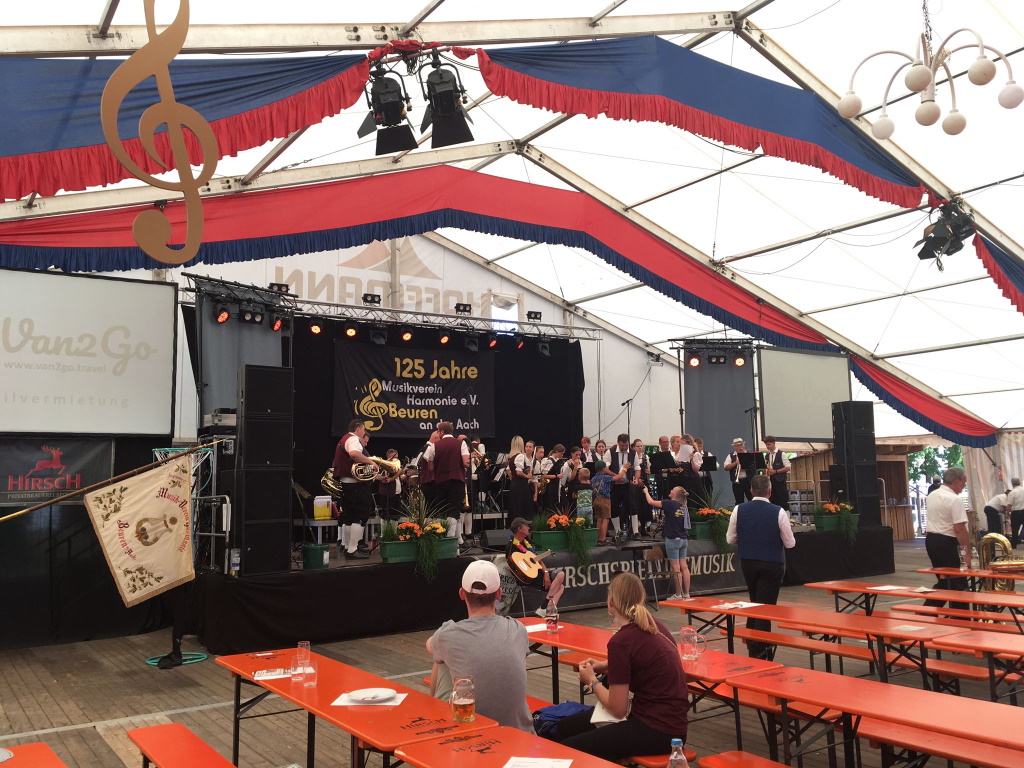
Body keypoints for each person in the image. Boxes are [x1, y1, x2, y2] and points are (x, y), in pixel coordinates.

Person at [549, 572, 689, 761]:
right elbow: (642, 659)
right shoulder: (653, 625)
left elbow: (617, 709)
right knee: (566, 727)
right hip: (672, 724)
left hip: (658, 730)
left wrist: (592, 681)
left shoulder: (621, 641)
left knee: (567, 750)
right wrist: (605, 665)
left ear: (611, 603)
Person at [426, 560, 534, 732]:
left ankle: (437, 714)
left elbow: (430, 646)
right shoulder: (517, 629)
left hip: (475, 735)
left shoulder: (447, 634)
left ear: (462, 594)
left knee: (441, 660)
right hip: (521, 733)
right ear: (499, 594)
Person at [726, 474, 796, 659]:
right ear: (770, 491)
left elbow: (730, 539)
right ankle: (760, 651)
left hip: (748, 562)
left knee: (755, 602)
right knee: (765, 608)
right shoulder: (778, 511)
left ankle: (754, 647)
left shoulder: (739, 509)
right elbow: (790, 543)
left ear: (750, 491)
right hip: (772, 563)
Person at [923, 467, 970, 609]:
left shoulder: (932, 495)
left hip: (932, 540)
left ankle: (927, 611)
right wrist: (967, 554)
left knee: (945, 580)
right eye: (963, 483)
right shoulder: (954, 499)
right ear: (956, 482)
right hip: (948, 542)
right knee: (958, 582)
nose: (964, 486)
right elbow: (959, 529)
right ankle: (959, 616)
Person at [331, 419, 376, 559]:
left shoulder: (343, 439)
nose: (364, 432)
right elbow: (354, 454)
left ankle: (348, 547)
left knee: (349, 517)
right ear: (358, 429)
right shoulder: (354, 439)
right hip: (356, 484)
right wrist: (371, 462)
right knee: (361, 515)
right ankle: (352, 549)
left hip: (347, 483)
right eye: (363, 429)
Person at [506, 517, 566, 614]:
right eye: (526, 526)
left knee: (560, 579)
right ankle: (546, 609)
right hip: (526, 578)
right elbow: (513, 566)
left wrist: (546, 573)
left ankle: (546, 609)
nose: (528, 528)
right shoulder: (511, 546)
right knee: (560, 582)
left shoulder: (527, 543)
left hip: (538, 574)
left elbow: (539, 560)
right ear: (519, 528)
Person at [424, 422, 470, 542]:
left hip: (441, 481)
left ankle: (450, 540)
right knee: (454, 510)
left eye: (438, 431)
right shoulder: (461, 443)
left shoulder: (434, 446)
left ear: (442, 432)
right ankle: (451, 540)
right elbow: (466, 463)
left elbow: (430, 468)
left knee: (443, 510)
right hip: (457, 480)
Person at [643, 485, 690, 599]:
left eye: (672, 490)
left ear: (676, 494)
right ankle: (687, 593)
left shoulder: (670, 504)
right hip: (683, 539)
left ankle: (678, 594)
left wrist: (646, 492)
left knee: (676, 569)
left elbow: (651, 502)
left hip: (673, 540)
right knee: (684, 567)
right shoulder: (683, 506)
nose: (670, 490)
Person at [607, 434, 639, 540]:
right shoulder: (610, 452)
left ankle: (635, 531)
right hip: (614, 485)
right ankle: (618, 531)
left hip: (627, 484)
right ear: (618, 443)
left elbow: (637, 468)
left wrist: (636, 479)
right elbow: (605, 469)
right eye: (622, 446)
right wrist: (616, 477)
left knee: (632, 506)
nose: (624, 448)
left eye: (626, 445)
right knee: (614, 507)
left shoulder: (633, 453)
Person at [592, 459, 621, 546]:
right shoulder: (605, 477)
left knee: (599, 519)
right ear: (604, 469)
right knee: (605, 519)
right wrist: (625, 469)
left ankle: (598, 538)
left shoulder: (593, 478)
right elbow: (618, 478)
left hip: (596, 500)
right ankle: (603, 539)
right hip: (604, 500)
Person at [507, 436, 533, 521]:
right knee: (522, 507)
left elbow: (509, 471)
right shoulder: (520, 455)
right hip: (521, 484)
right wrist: (527, 476)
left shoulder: (511, 456)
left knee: (515, 506)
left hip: (514, 484)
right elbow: (518, 472)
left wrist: (513, 477)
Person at [630, 438, 652, 536]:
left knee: (645, 506)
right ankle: (634, 528)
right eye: (637, 446)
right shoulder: (631, 457)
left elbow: (649, 469)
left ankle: (643, 527)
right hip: (635, 483)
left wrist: (648, 471)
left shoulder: (645, 457)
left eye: (641, 446)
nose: (640, 448)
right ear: (633, 447)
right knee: (636, 505)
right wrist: (637, 479)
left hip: (644, 483)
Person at [763, 436, 791, 510]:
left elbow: (788, 467)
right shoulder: (767, 456)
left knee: (783, 502)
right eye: (766, 445)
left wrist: (775, 471)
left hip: (780, 481)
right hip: (771, 482)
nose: (767, 446)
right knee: (773, 502)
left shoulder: (782, 454)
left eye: (769, 444)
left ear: (773, 443)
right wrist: (766, 471)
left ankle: (785, 515)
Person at [724, 437, 752, 506]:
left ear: (744, 445)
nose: (740, 447)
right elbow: (726, 467)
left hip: (749, 481)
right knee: (739, 501)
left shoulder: (749, 454)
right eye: (738, 446)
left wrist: (745, 468)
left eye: (741, 445)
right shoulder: (731, 456)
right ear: (734, 447)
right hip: (737, 482)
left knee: (751, 499)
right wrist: (735, 463)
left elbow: (755, 466)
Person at [377, 448, 402, 519]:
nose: (397, 460)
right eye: (395, 457)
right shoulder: (384, 466)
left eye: (397, 457)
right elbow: (385, 479)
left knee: (396, 516)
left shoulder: (397, 466)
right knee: (385, 515)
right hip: (387, 494)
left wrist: (406, 475)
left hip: (397, 493)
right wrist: (398, 473)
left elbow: (398, 480)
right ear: (389, 457)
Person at [1008, 478, 1024, 548]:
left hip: (1016, 513)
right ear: (1020, 483)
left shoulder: (1012, 492)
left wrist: (1008, 513)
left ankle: (1014, 544)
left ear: (1012, 484)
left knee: (1015, 529)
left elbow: (1009, 505)